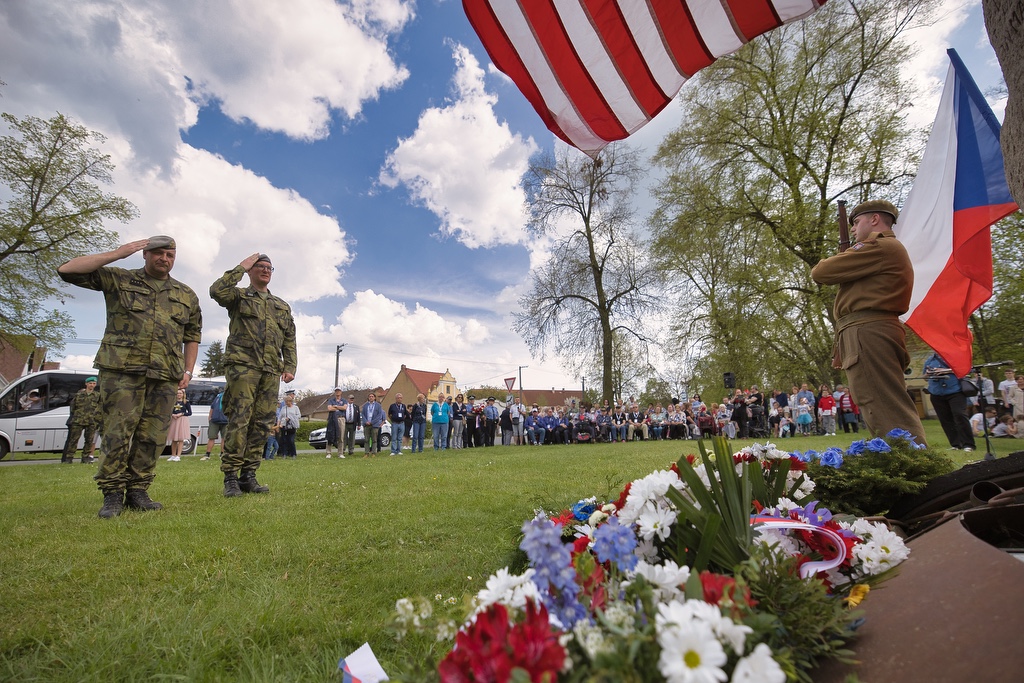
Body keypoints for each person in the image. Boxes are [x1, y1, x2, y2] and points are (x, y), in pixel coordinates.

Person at [58, 236, 202, 518]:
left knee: (152, 436)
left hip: (165, 373)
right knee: (118, 431)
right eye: (158, 253)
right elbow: (68, 270)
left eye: (170, 254)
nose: (164, 258)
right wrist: (118, 253)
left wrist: (188, 370)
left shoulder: (186, 294)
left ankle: (138, 490)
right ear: (145, 255)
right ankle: (112, 493)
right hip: (121, 370)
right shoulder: (119, 280)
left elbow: (192, 335)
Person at [811, 200, 926, 444]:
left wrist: (849, 254)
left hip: (869, 332)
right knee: (874, 403)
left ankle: (913, 466)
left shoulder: (880, 246)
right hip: (865, 330)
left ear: (874, 220)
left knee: (885, 406)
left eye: (856, 222)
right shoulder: (881, 249)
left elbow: (820, 272)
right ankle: (903, 463)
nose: (853, 229)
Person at [211, 252, 296, 495]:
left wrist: (289, 366)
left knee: (262, 423)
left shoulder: (280, 305)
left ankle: (249, 475)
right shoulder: (238, 296)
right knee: (240, 420)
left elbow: (290, 338)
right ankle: (230, 477)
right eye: (259, 266)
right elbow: (217, 291)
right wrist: (241, 266)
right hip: (243, 367)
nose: (265, 270)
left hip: (270, 369)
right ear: (250, 270)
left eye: (269, 267)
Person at [924, 352, 976, 452]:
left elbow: (968, 369)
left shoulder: (955, 356)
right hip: (936, 393)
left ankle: (968, 444)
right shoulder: (929, 360)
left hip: (955, 392)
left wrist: (946, 371)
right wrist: (927, 374)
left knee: (960, 415)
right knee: (945, 420)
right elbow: (925, 378)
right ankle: (956, 444)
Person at [61, 376, 102, 464]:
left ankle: (85, 458)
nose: (92, 385)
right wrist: (75, 416)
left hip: (91, 421)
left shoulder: (97, 396)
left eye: (94, 383)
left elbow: (100, 408)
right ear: (86, 384)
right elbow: (73, 407)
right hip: (78, 420)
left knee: (89, 440)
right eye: (90, 383)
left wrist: (96, 419)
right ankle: (69, 458)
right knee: (73, 440)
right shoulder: (79, 395)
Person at [202, 389, 228, 461]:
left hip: (226, 421)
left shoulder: (230, 397)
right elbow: (212, 407)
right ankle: (207, 454)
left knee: (224, 438)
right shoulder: (218, 396)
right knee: (211, 437)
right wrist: (209, 417)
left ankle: (222, 454)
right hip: (215, 420)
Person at [166, 388, 192, 461]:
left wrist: (182, 414)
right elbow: (169, 410)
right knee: (174, 439)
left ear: (183, 394)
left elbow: (189, 413)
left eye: (180, 393)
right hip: (174, 420)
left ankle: (178, 456)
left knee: (180, 438)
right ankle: (173, 455)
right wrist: (172, 414)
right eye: (177, 393)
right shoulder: (173, 402)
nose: (179, 395)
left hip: (182, 420)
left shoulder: (186, 402)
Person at [361, 391, 386, 456]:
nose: (371, 398)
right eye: (370, 396)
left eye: (372, 396)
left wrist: (372, 422)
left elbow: (379, 415)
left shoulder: (378, 406)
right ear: (368, 398)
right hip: (366, 425)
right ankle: (366, 453)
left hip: (374, 425)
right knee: (366, 439)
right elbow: (363, 414)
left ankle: (373, 453)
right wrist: (366, 421)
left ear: (375, 398)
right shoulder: (365, 405)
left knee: (374, 439)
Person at [325, 388, 347, 459]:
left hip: (341, 419)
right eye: (336, 391)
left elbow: (345, 408)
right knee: (330, 435)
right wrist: (339, 408)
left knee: (341, 436)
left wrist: (336, 406)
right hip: (333, 419)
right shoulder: (331, 400)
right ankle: (328, 453)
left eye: (339, 391)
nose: (337, 392)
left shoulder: (344, 400)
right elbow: (329, 408)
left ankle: (340, 453)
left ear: (341, 392)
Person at [277, 391, 300, 457]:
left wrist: (290, 418)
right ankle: (284, 454)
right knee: (284, 440)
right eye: (285, 402)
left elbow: (299, 416)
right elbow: (279, 417)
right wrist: (278, 425)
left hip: (292, 426)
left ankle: (293, 453)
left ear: (291, 401)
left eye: (288, 402)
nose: (286, 403)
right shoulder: (284, 408)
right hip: (284, 425)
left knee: (291, 440)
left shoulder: (295, 408)